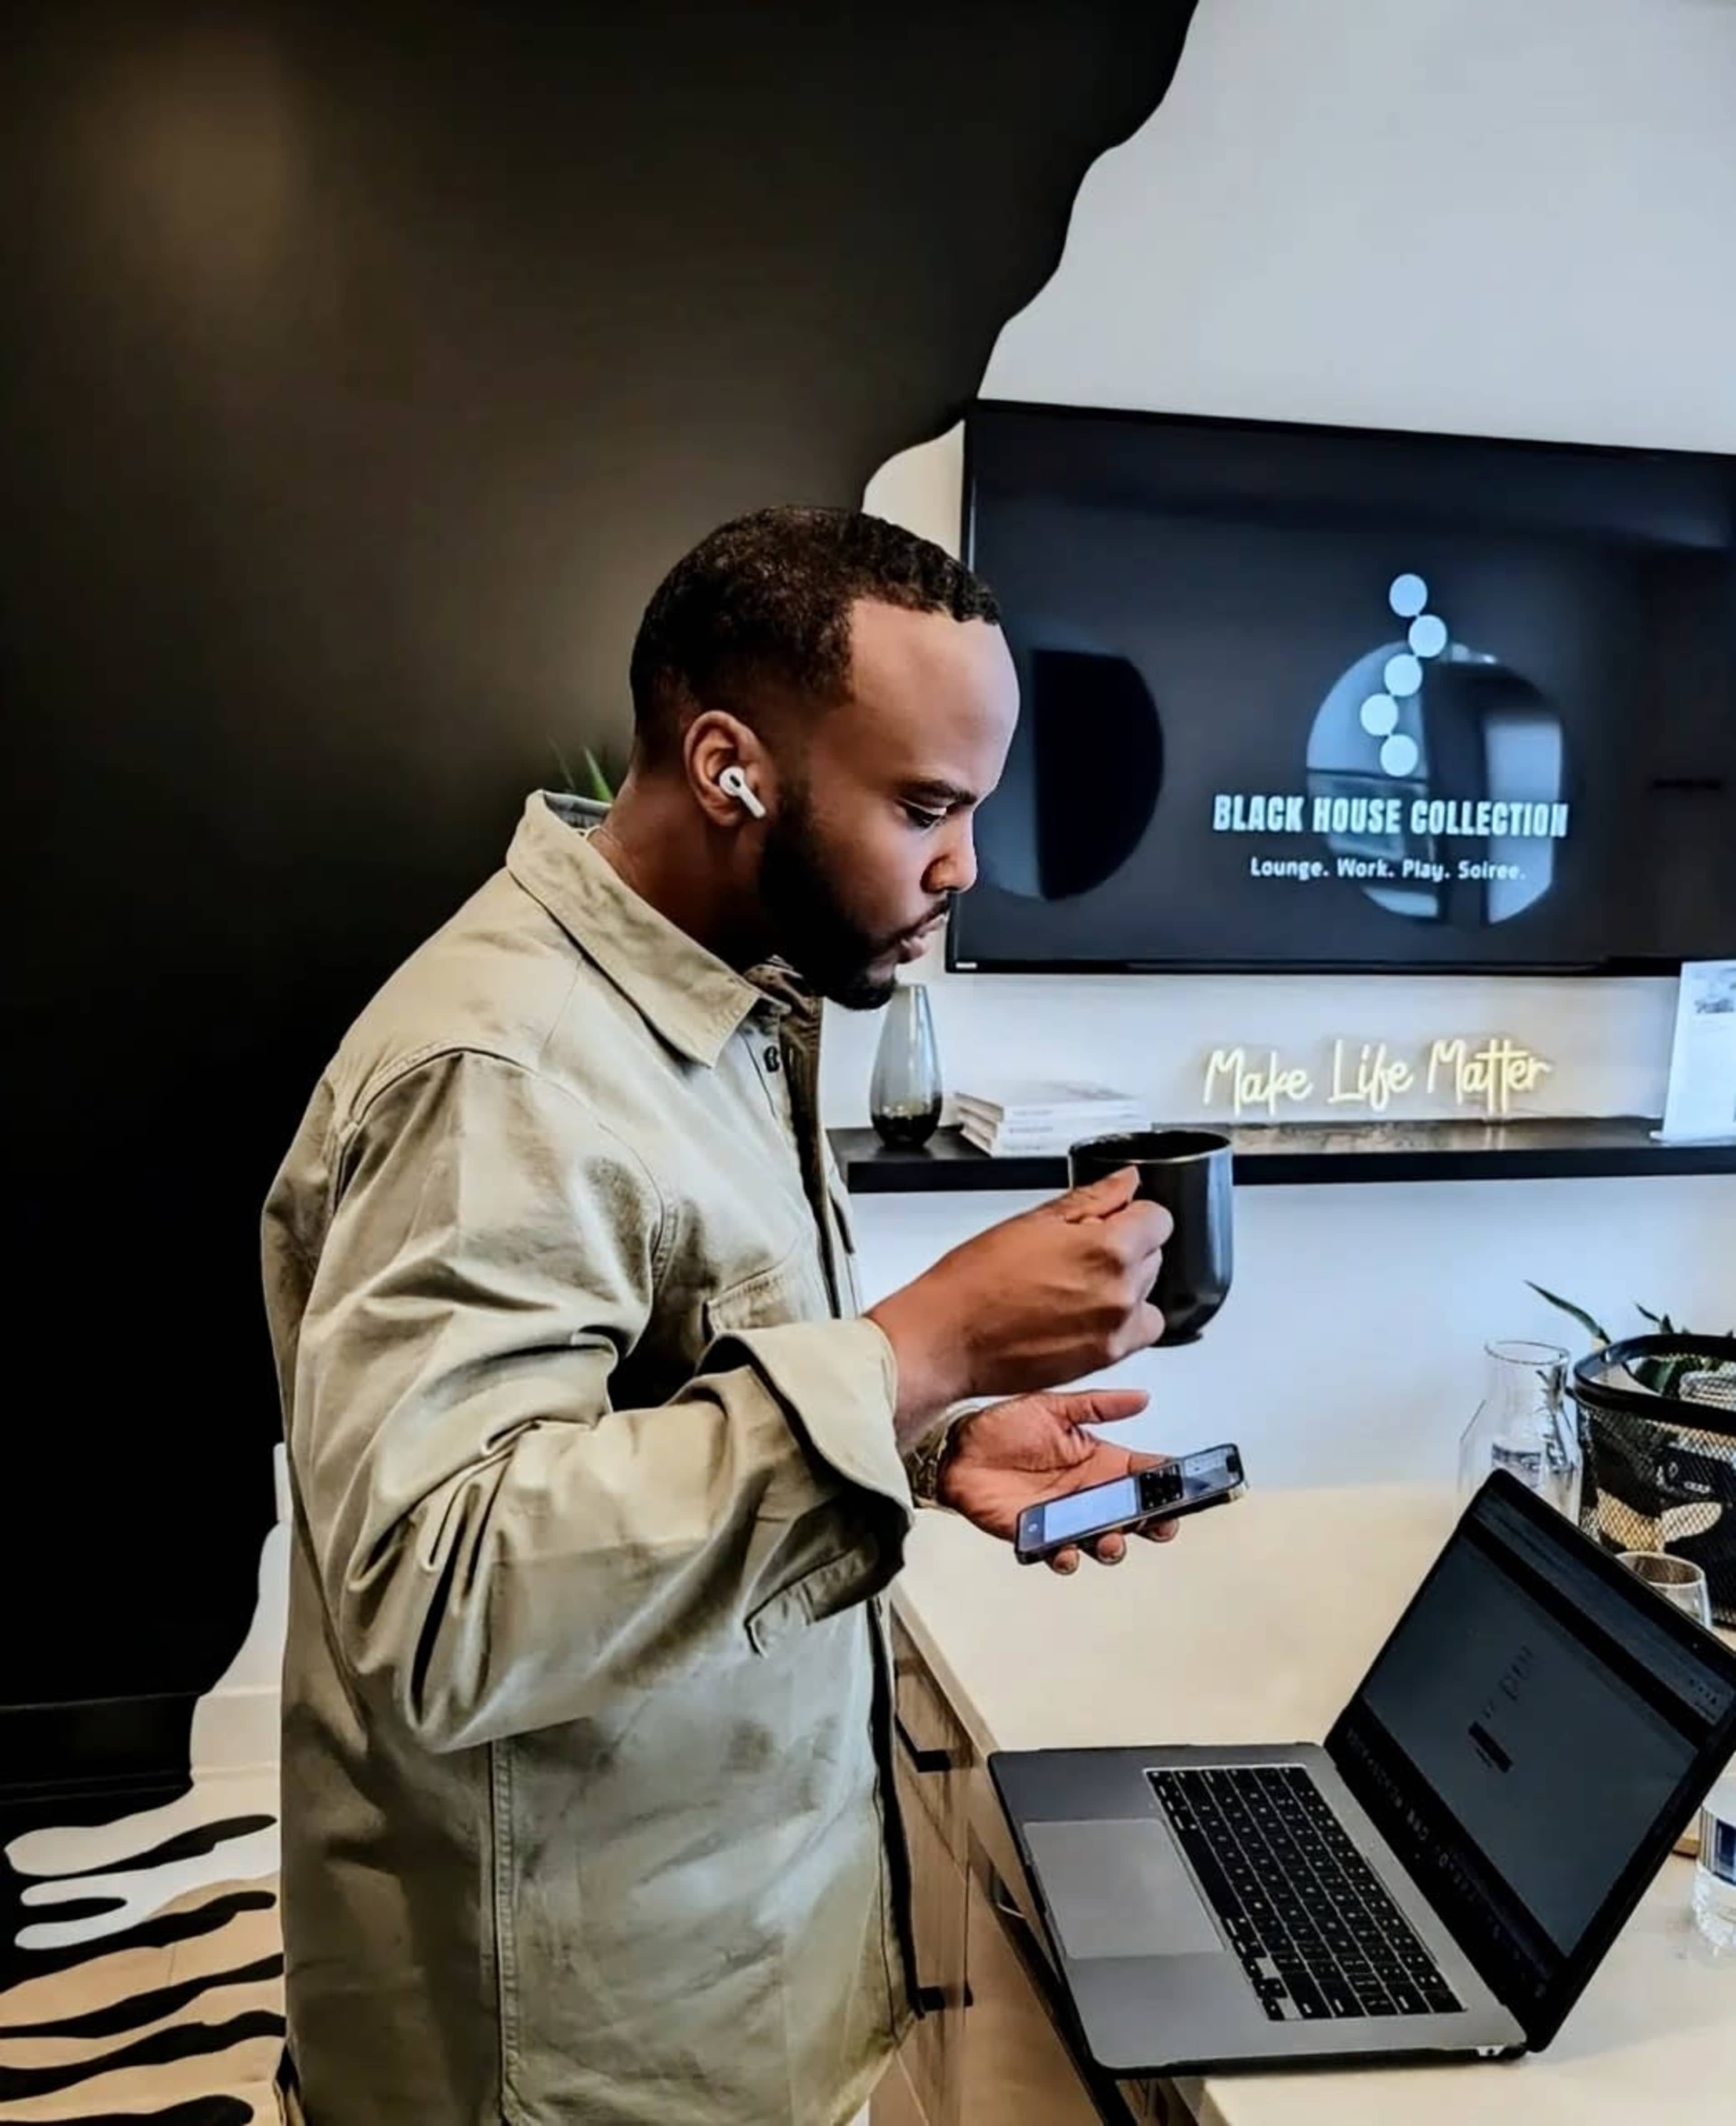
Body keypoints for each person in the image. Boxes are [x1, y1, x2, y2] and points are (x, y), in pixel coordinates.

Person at [261, 506, 1175, 2126]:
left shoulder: (726, 996)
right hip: (567, 2062)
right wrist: (927, 1345)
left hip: (729, 1975)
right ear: (732, 765)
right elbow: (441, 1591)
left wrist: (921, 1430)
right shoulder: (507, 1072)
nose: (964, 866)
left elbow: (670, 1400)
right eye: (926, 807)